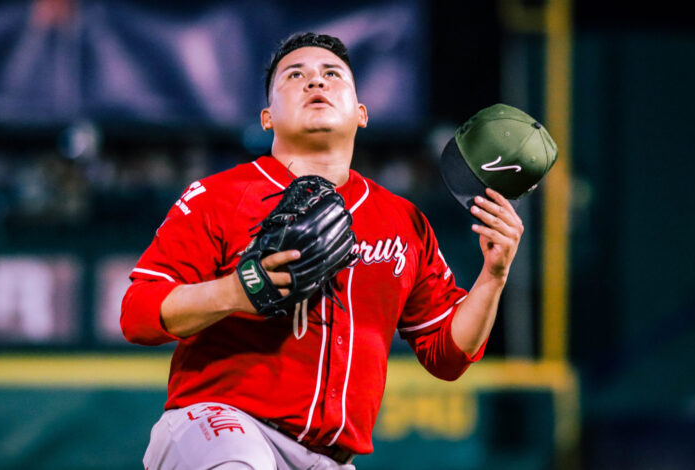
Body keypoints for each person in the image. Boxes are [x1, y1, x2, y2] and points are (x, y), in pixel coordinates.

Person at [121, 32, 523, 470]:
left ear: (362, 114)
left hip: (330, 458)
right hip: (220, 424)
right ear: (267, 117)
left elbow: (446, 355)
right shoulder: (219, 196)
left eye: (332, 74)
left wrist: (493, 276)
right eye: (296, 75)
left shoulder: (403, 221)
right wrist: (234, 293)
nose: (316, 82)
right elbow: (138, 313)